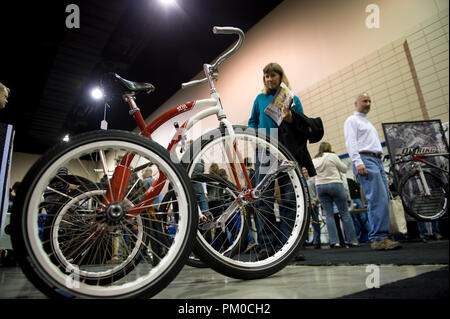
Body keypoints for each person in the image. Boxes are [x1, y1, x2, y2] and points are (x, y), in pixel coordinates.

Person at [248, 62, 307, 261]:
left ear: (281, 76)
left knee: (290, 198)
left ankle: (288, 246)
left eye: (273, 75)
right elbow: (252, 121)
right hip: (264, 148)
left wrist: (289, 117)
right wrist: (254, 139)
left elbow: (300, 124)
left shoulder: (292, 98)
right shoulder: (259, 98)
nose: (269, 79)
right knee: (262, 198)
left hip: (286, 149)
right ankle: (266, 246)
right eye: (266, 76)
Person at [344, 92, 401, 250]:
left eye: (369, 101)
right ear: (356, 103)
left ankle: (381, 236)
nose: (368, 103)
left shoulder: (367, 123)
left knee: (382, 198)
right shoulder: (352, 120)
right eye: (364, 101)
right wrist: (357, 161)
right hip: (365, 160)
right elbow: (351, 142)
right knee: (377, 198)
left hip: (377, 161)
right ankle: (378, 238)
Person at [313, 142, 359, 248]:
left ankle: (335, 242)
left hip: (320, 186)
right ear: (329, 148)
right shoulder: (332, 156)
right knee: (344, 213)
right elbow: (344, 169)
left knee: (329, 215)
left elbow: (313, 174)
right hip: (335, 184)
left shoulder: (314, 160)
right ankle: (353, 241)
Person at [302, 167, 321, 249]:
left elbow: (317, 191)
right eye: (303, 170)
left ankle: (317, 242)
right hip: (305, 206)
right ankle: (304, 242)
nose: (305, 171)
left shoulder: (312, 180)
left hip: (314, 204)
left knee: (316, 223)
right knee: (304, 224)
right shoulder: (301, 182)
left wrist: (316, 200)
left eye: (306, 170)